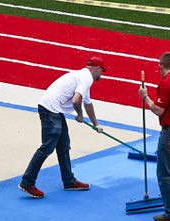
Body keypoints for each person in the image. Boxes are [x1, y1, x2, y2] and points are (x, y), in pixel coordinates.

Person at [19, 56, 106, 198]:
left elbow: (88, 103)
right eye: (102, 72)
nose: (101, 76)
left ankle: (69, 181)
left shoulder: (83, 77)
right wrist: (79, 114)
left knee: (63, 145)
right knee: (48, 146)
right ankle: (27, 182)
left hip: (55, 110)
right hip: (50, 109)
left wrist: (96, 124)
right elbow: (77, 100)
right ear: (97, 69)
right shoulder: (86, 79)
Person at [138, 51, 170, 221]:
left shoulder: (165, 84)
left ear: (161, 66)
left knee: (164, 173)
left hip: (168, 133)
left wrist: (146, 98)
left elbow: (158, 110)